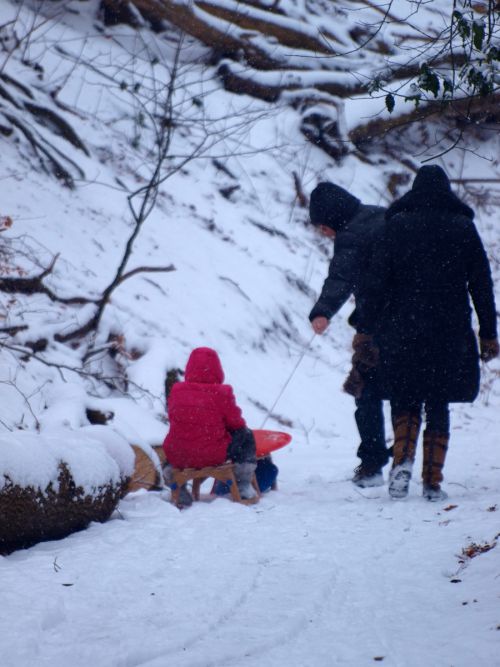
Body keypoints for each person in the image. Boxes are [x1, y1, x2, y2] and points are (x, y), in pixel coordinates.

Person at [356, 165, 498, 500]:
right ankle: (432, 481)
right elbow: (481, 284)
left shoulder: (396, 226)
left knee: (406, 397)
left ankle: (402, 461)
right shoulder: (463, 227)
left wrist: (365, 329)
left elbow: (375, 283)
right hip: (449, 329)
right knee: (438, 400)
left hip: (402, 328)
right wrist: (488, 333)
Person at [308, 182, 391, 487]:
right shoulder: (383, 215)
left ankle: (372, 465)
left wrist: (322, 311)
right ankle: (403, 459)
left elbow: (341, 276)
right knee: (404, 393)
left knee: (366, 392)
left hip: (376, 325)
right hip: (411, 320)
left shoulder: (351, 235)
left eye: (323, 227)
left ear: (333, 220)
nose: (324, 233)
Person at [162, 347, 258, 506]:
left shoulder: (177, 390)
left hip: (181, 454)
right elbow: (237, 423)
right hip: (213, 454)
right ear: (217, 369)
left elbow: (174, 419)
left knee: (175, 442)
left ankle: (177, 487)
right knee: (246, 435)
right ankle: (242, 484)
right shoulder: (221, 392)